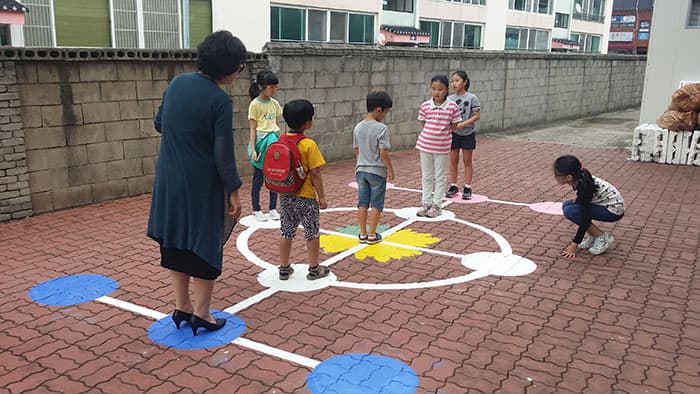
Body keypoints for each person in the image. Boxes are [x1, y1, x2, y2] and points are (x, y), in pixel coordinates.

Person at [147, 31, 246, 336]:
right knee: (205, 243)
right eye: (239, 67)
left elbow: (159, 123)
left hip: (169, 178)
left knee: (175, 240)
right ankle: (202, 314)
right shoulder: (219, 100)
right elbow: (223, 154)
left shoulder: (177, 83)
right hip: (202, 183)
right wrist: (234, 190)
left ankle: (182, 306)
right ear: (227, 67)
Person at [277, 99, 331, 281]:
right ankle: (314, 269)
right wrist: (321, 197)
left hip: (285, 195)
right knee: (312, 232)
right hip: (306, 197)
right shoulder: (309, 145)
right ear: (308, 123)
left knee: (286, 231)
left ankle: (284, 268)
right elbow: (315, 173)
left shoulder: (281, 141)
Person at [554, 155, 625, 258]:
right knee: (567, 205)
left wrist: (574, 244)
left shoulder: (583, 186)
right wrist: (579, 199)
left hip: (613, 210)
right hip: (606, 204)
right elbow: (587, 197)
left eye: (557, 175)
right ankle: (594, 235)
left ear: (569, 177)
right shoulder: (581, 177)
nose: (555, 177)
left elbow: (585, 217)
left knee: (571, 211)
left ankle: (602, 237)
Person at [416, 75, 462, 218]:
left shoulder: (452, 107)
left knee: (440, 176)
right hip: (425, 145)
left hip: (442, 147)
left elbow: (454, 126)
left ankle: (437, 205)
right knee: (427, 176)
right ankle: (426, 203)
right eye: (434, 89)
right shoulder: (425, 106)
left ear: (446, 90)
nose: (437, 92)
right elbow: (424, 124)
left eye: (440, 89)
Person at [353, 91, 395, 244]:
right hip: (377, 171)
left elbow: (356, 150)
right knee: (377, 202)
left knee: (362, 201)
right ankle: (372, 234)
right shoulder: (382, 128)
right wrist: (390, 170)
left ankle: (362, 233)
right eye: (386, 112)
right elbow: (383, 152)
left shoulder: (358, 127)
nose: (385, 115)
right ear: (379, 110)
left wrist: (361, 162)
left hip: (361, 170)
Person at [248, 70, 282, 222]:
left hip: (273, 142)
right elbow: (253, 128)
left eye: (276, 87)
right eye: (271, 87)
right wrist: (254, 149)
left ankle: (273, 208)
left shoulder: (274, 104)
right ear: (262, 87)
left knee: (274, 176)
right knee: (258, 178)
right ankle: (256, 209)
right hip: (261, 144)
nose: (274, 90)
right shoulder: (254, 104)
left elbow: (276, 125)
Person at [446, 71, 481, 200]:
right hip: (454, 134)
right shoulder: (449, 99)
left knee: (467, 160)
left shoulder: (472, 98)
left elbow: (477, 116)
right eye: (452, 81)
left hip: (468, 133)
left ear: (464, 82)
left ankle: (467, 186)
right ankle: (453, 185)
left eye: (457, 80)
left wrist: (463, 124)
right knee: (453, 160)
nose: (454, 83)